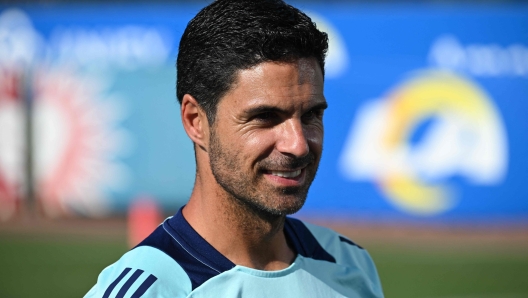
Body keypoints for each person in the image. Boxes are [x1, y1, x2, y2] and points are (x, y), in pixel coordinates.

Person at [85, 0, 384, 297]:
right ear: (195, 121)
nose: (298, 144)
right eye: (265, 117)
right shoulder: (152, 290)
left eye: (311, 115)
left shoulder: (350, 264)